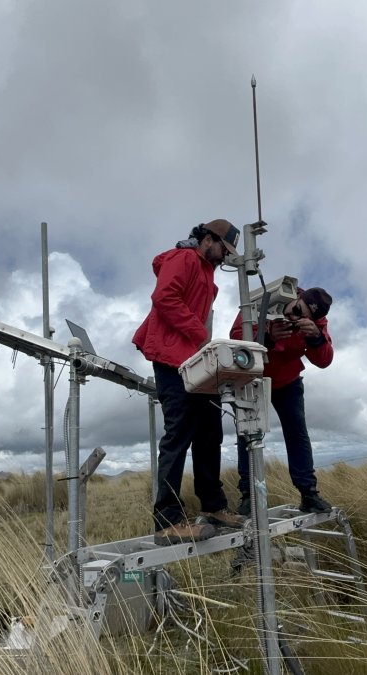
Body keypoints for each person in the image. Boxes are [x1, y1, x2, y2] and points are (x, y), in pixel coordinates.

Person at [133, 219, 247, 546]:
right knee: (179, 433)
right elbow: (164, 298)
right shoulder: (182, 259)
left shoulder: (207, 272)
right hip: (172, 358)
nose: (224, 257)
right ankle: (167, 522)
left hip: (194, 362)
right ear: (207, 239)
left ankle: (213, 507)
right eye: (222, 249)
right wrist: (202, 338)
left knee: (210, 430)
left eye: (228, 253)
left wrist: (204, 346)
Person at [230, 286, 335, 515]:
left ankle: (308, 493)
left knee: (297, 432)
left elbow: (325, 359)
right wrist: (267, 335)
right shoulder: (266, 298)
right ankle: (248, 495)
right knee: (247, 432)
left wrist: (315, 337)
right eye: (296, 309)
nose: (293, 317)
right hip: (254, 377)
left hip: (288, 380)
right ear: (296, 297)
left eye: (301, 318)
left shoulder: (318, 322)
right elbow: (236, 336)